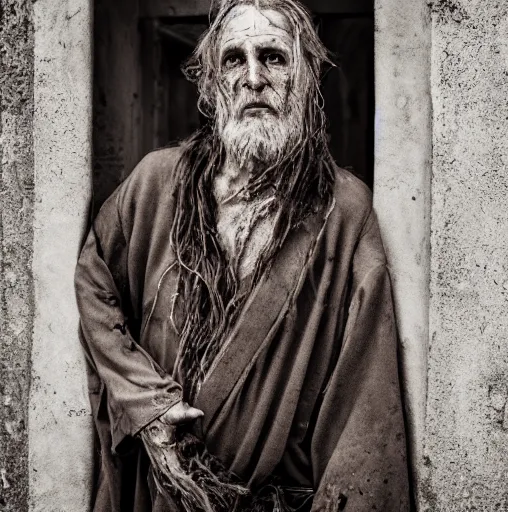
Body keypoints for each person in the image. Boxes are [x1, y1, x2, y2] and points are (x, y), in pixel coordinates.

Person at [75, 0, 409, 510]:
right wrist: (145, 402)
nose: (253, 78)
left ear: (307, 76)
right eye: (234, 59)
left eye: (273, 57)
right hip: (161, 492)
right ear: (211, 85)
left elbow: (365, 412)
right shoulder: (155, 184)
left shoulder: (344, 211)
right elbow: (94, 282)